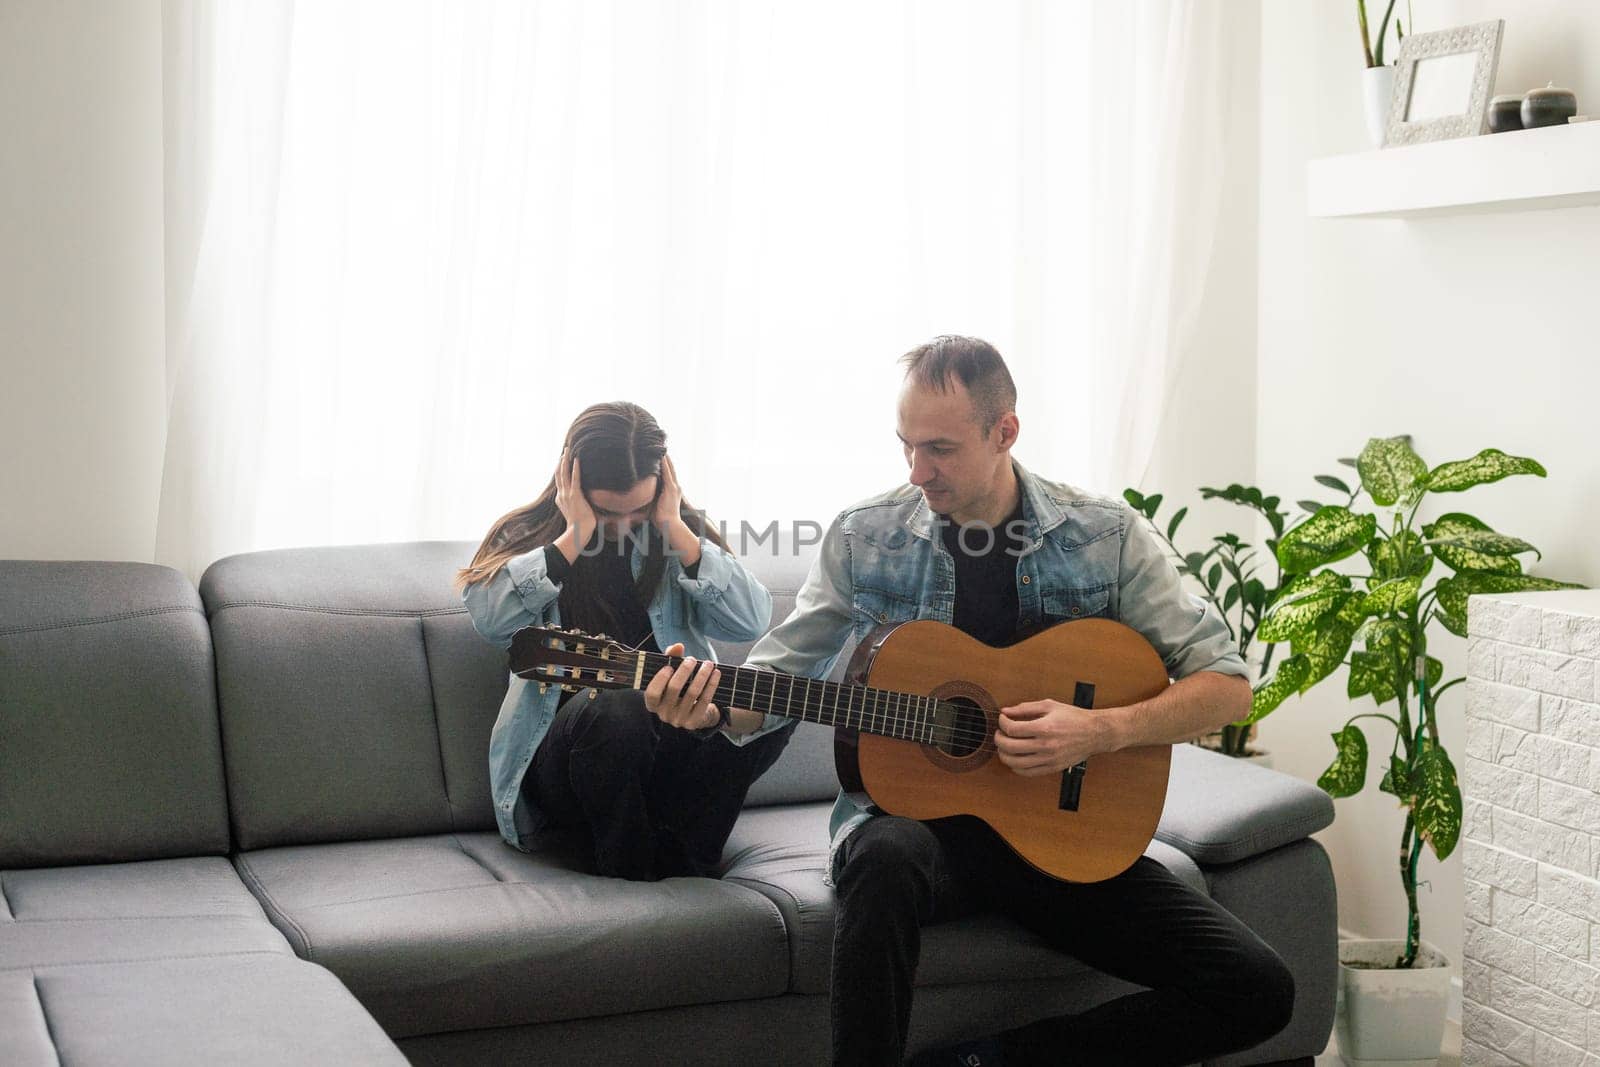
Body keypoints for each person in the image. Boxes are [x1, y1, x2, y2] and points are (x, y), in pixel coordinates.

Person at [657, 337, 1295, 1065]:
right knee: (884, 856)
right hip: (919, 840)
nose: (917, 471)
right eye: (906, 446)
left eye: (940, 448)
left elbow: (1229, 688)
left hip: (1067, 841)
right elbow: (778, 672)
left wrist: (1099, 730)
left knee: (1259, 989)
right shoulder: (867, 535)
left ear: (1005, 432)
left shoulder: (1105, 536)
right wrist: (707, 709)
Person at [458, 401, 793, 881]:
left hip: (671, 755)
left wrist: (674, 527)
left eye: (639, 508)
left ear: (665, 485)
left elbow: (750, 620)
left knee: (783, 697)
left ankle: (686, 857)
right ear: (568, 479)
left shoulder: (678, 537)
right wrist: (574, 535)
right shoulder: (527, 535)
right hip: (571, 768)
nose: (623, 524)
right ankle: (630, 872)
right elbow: (490, 620)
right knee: (620, 707)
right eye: (605, 510)